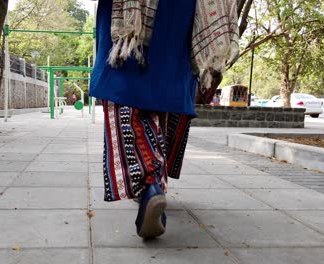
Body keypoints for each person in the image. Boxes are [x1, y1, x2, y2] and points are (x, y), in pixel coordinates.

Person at [89, 0, 239, 239]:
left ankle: (149, 184)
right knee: (164, 87)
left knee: (124, 86)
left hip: (132, 10)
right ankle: (154, 183)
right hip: (181, 10)